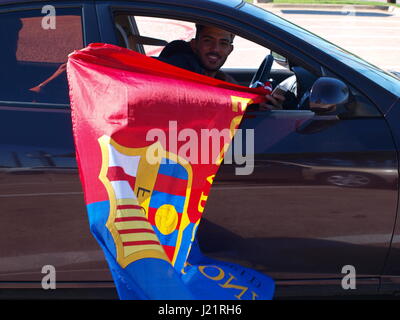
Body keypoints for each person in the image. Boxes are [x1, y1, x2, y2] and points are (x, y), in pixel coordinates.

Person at [158, 24, 285, 110]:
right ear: (194, 45)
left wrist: (260, 105)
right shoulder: (180, 72)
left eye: (223, 43)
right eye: (208, 40)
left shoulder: (216, 78)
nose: (215, 49)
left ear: (230, 49)